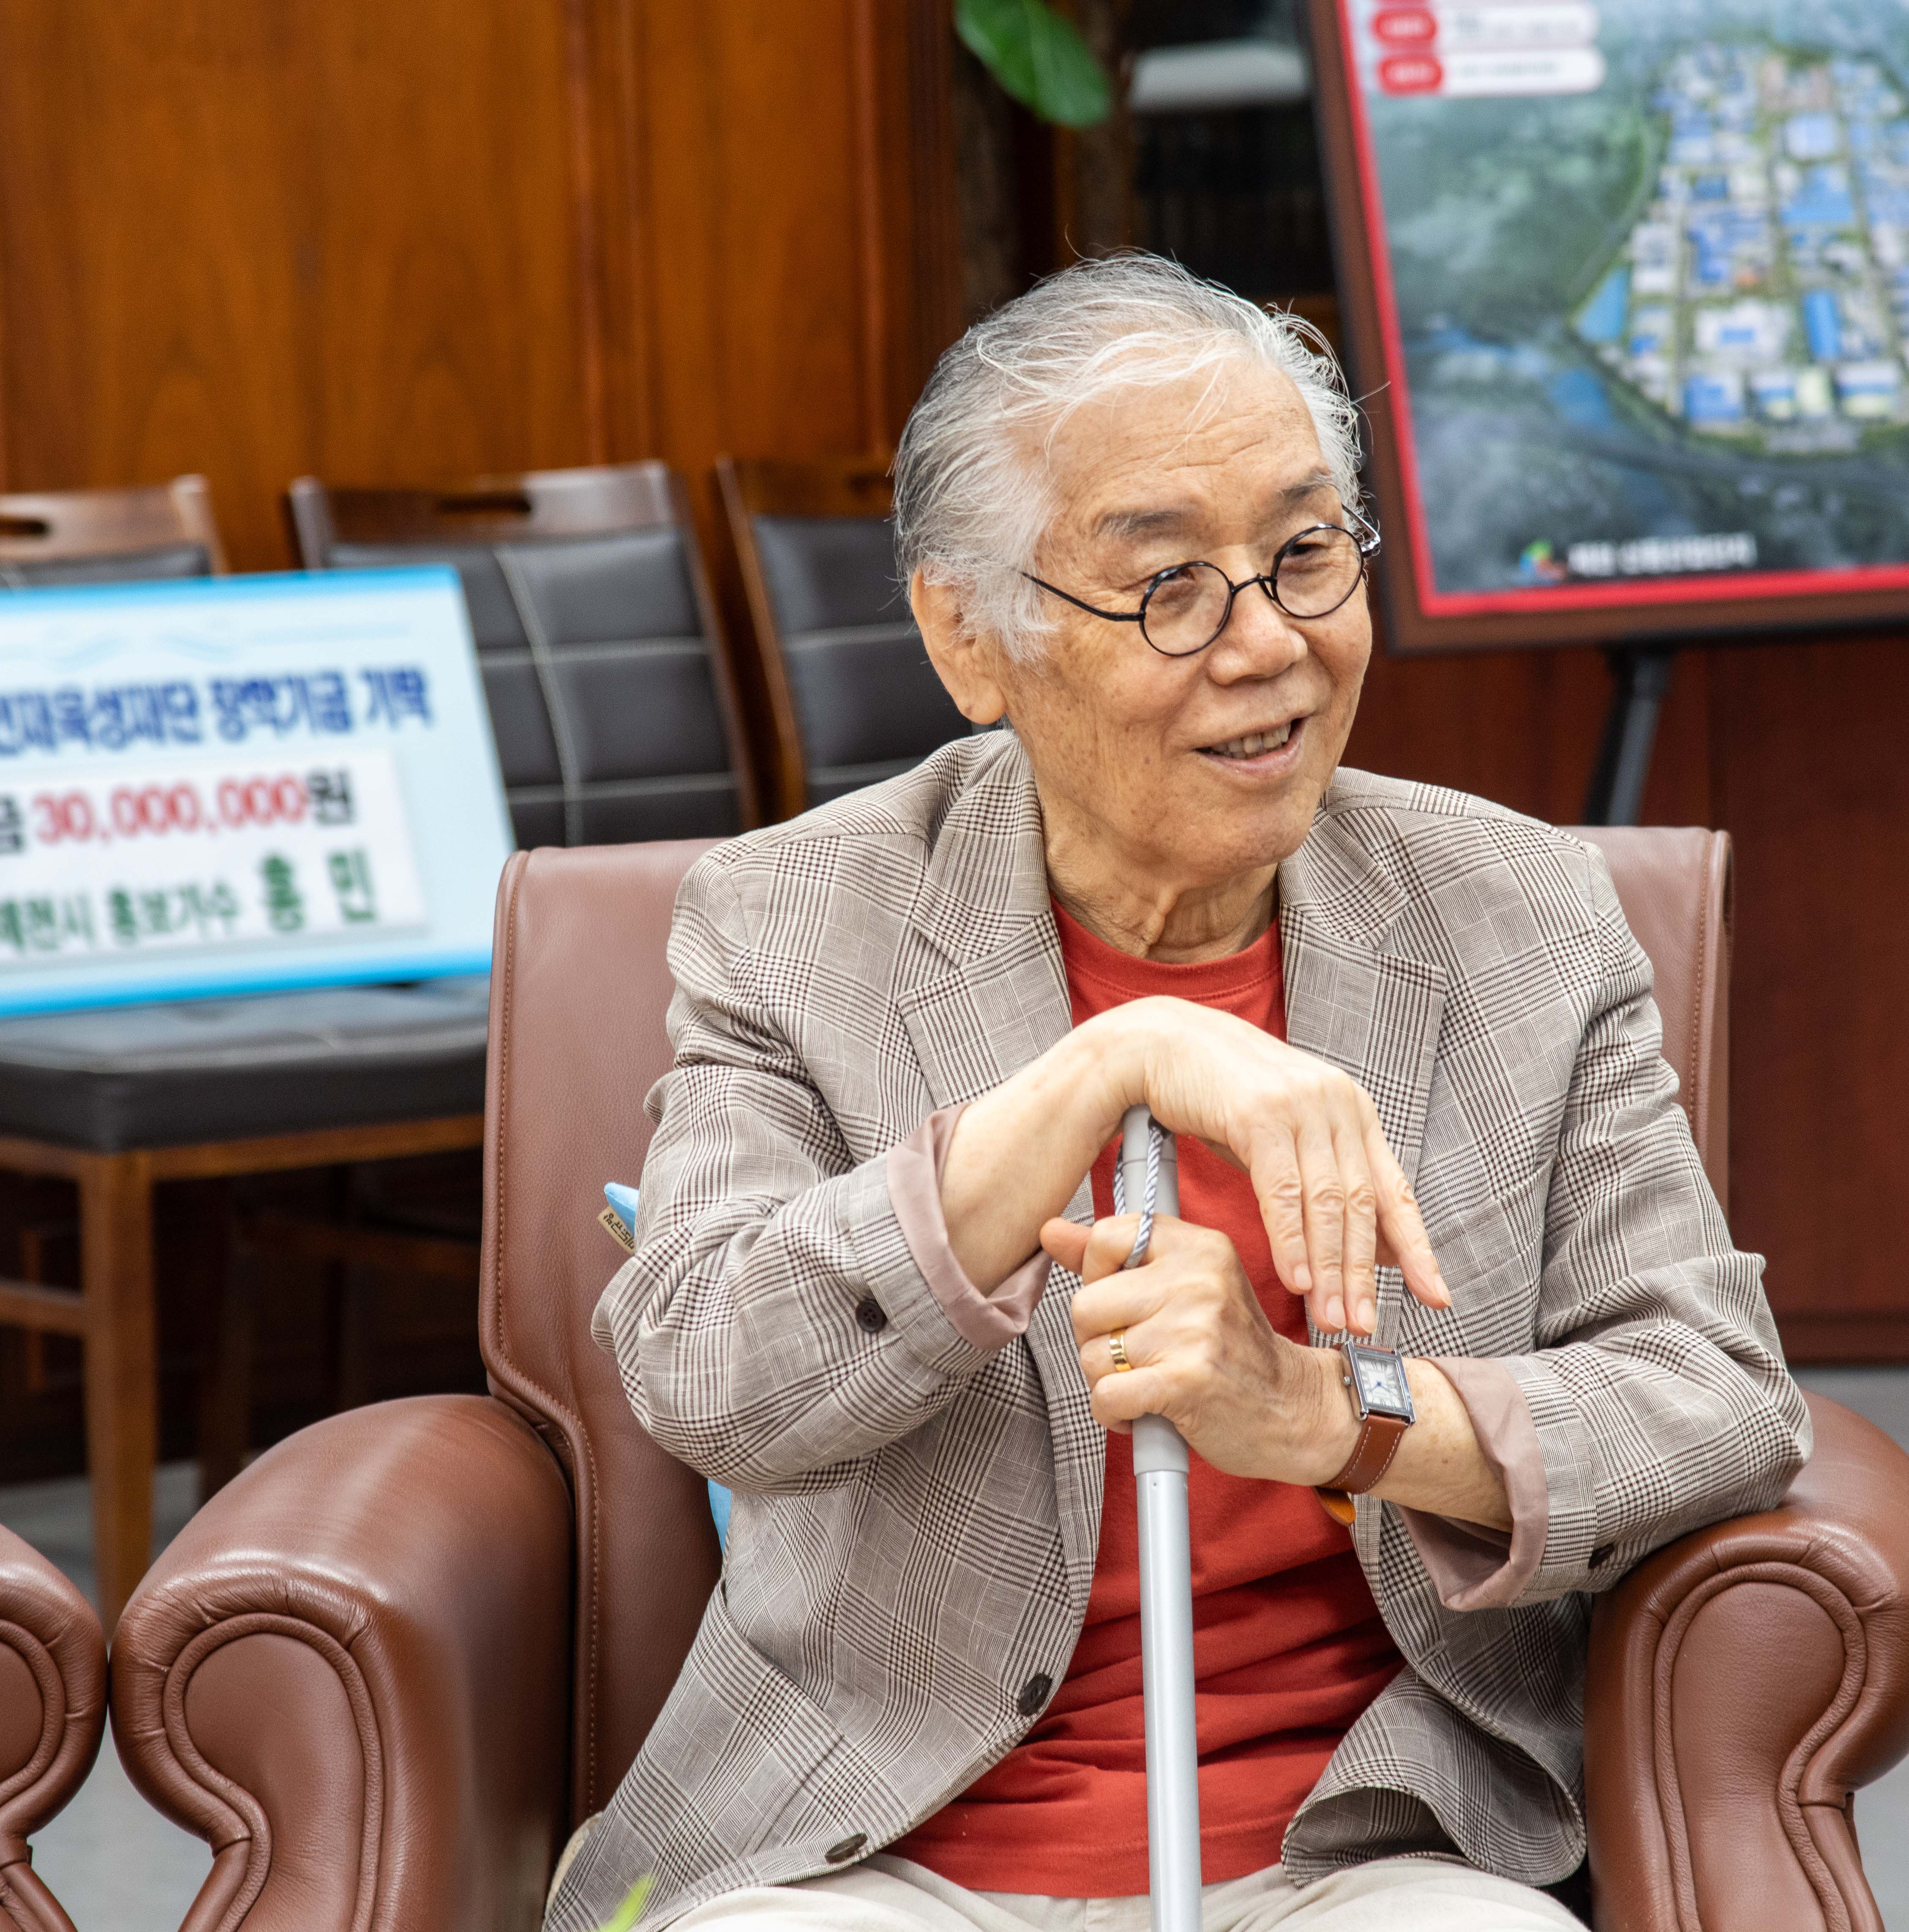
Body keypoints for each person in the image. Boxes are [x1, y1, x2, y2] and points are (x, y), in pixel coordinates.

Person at [547, 254, 1809, 1932]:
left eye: (1300, 553)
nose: (1268, 643)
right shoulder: (793, 923)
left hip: (1368, 1845)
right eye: (1167, 586)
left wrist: (1328, 1416)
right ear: (964, 635)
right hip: (878, 1851)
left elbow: (1713, 1393)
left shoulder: (1517, 914)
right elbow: (708, 1368)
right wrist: (1095, 1074)